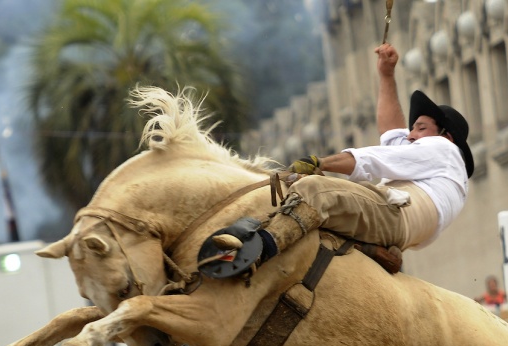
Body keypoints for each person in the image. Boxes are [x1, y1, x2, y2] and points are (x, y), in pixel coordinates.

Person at [198, 42, 473, 280]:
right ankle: (368, 249)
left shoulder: (443, 149)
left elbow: (375, 159)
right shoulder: (439, 167)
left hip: (395, 216)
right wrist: (386, 75)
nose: (410, 135)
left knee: (314, 190)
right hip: (397, 227)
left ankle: (256, 254)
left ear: (446, 136)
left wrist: (320, 163)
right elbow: (391, 135)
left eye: (420, 128)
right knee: (313, 213)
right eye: (412, 128)